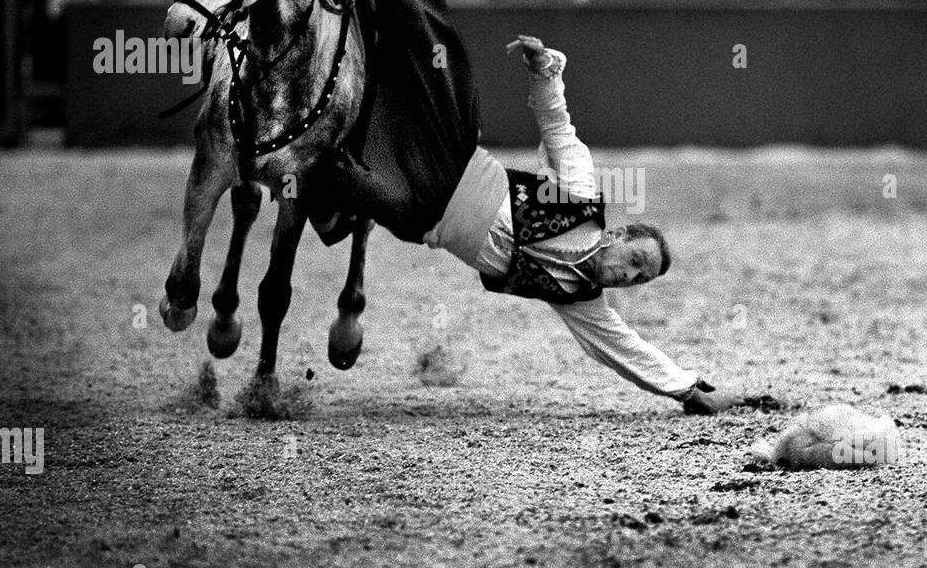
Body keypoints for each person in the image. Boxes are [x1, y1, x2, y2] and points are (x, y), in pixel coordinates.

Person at [309, 27, 739, 415]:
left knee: (332, 183)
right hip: (455, 162)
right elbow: (558, 125)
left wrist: (687, 390)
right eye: (636, 259)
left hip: (423, 223)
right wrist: (544, 70)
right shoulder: (582, 196)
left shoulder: (580, 299)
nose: (629, 274)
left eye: (639, 279)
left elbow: (624, 348)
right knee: (423, 87)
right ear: (620, 234)